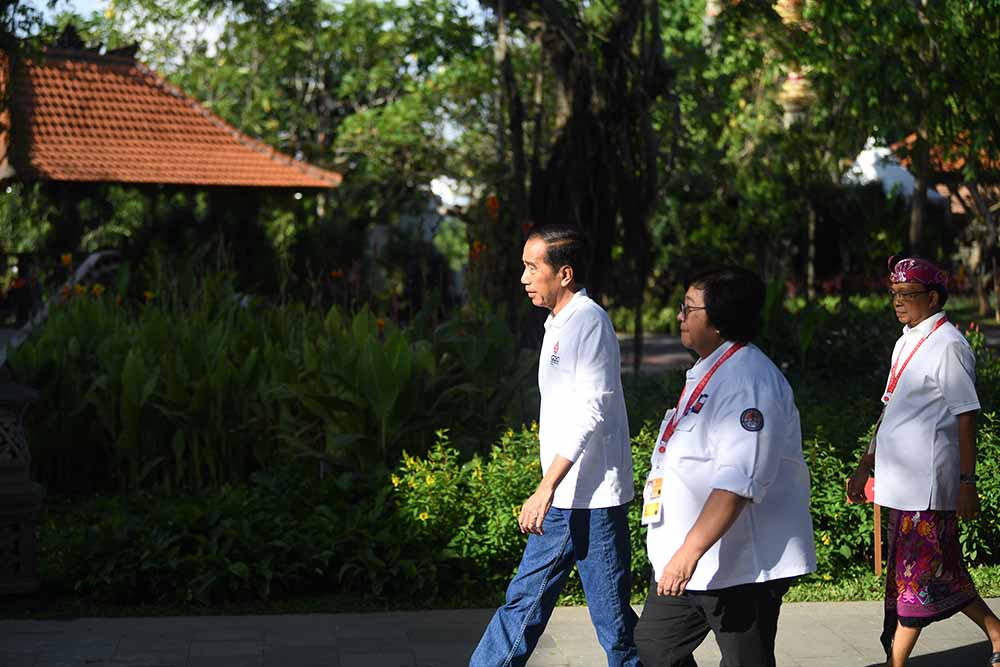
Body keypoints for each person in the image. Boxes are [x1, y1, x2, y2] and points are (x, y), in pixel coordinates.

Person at [470, 224, 640, 667]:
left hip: (593, 500)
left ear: (564, 273)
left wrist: (545, 487)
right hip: (565, 496)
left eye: (532, 267)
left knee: (615, 626)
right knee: (523, 602)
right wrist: (551, 488)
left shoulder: (589, 322)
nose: (524, 278)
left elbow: (591, 411)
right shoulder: (558, 324)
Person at [634, 266, 816, 667]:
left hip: (739, 565)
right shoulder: (710, 371)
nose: (680, 316)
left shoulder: (749, 380)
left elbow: (738, 482)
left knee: (744, 661)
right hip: (686, 558)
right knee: (655, 647)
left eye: (689, 308)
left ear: (718, 322)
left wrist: (688, 553)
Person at [847, 256, 1000, 667]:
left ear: (932, 298)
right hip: (901, 486)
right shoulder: (906, 340)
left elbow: (967, 414)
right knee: (941, 574)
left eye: (907, 295)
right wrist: (866, 464)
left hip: (928, 488)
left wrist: (967, 482)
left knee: (914, 580)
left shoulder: (948, 344)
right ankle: (998, 633)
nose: (898, 302)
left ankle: (896, 662)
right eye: (894, 294)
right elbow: (889, 408)